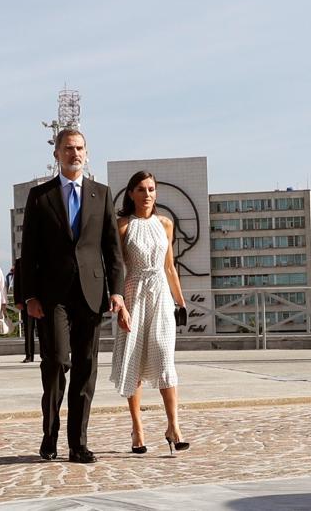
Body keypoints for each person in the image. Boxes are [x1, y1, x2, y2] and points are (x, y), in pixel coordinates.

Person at [20, 128, 130, 464]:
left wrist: (117, 293)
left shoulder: (101, 194)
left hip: (91, 293)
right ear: (57, 153)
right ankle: (49, 435)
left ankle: (78, 443)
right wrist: (29, 297)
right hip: (52, 297)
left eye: (80, 148)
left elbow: (112, 249)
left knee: (86, 367)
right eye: (68, 148)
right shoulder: (40, 197)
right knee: (56, 363)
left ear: (87, 152)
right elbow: (29, 252)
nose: (75, 154)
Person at [109, 171, 190, 455]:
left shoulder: (165, 224)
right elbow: (116, 268)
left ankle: (174, 426)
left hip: (160, 295)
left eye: (152, 189)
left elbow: (169, 266)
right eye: (141, 189)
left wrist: (181, 303)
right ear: (131, 193)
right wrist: (118, 303)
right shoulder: (122, 226)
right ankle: (138, 428)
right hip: (133, 293)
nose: (148, 194)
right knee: (135, 362)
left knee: (164, 356)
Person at [10, 261, 37, 363]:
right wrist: (17, 300)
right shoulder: (20, 262)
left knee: (44, 330)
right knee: (28, 329)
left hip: (43, 300)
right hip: (26, 301)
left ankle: (45, 354)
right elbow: (17, 282)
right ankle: (29, 355)